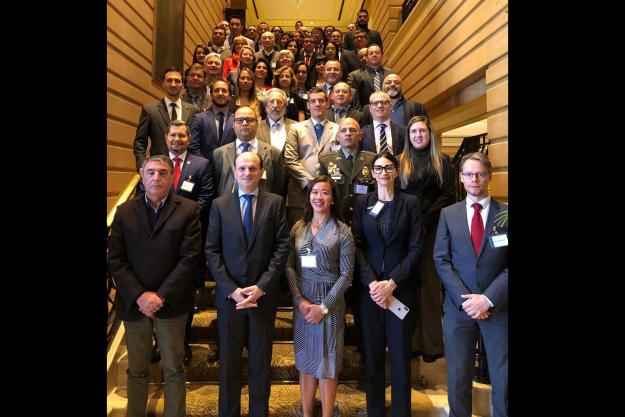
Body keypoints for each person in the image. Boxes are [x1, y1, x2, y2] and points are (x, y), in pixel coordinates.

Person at [108, 154, 202, 417]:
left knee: (173, 369)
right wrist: (139, 295)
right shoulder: (125, 211)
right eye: (150, 172)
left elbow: (190, 259)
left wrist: (160, 296)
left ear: (171, 176)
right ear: (142, 174)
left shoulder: (188, 210)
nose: (156, 178)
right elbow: (115, 259)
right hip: (133, 304)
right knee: (136, 370)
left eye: (162, 172)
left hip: (171, 304)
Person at [205, 151, 290, 417]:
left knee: (260, 364)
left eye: (253, 168)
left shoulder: (275, 203)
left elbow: (282, 247)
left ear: (261, 172)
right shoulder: (219, 205)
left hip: (262, 297)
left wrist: (262, 286)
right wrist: (231, 289)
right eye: (242, 168)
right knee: (229, 365)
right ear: (235, 170)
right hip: (230, 298)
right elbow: (211, 250)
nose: (247, 173)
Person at [433, 152, 508, 417]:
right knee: (458, 377)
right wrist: (468, 300)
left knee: (503, 378)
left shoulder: (506, 215)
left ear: (489, 176)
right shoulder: (448, 214)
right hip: (458, 309)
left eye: (480, 174)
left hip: (498, 309)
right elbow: (441, 260)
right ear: (461, 178)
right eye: (468, 174)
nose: (474, 179)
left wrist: (487, 299)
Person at [352, 151, 423, 417]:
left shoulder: (410, 203)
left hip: (401, 291)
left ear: (396, 171)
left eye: (388, 168)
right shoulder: (363, 203)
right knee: (372, 359)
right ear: (372, 173)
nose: (384, 173)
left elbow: (416, 249)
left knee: (400, 359)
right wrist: (373, 283)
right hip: (369, 293)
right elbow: (357, 246)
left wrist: (391, 283)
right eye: (379, 168)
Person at [285, 175, 355, 417]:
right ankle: (306, 413)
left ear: (333, 199)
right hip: (303, 302)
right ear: (309, 196)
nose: (319, 197)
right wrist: (300, 301)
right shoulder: (299, 228)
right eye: (315, 192)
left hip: (330, 303)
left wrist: (322, 307)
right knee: (305, 361)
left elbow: (347, 275)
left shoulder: (342, 232)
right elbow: (290, 266)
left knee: (328, 364)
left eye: (325, 192)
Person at [398, 116, 454, 362]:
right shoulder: (401, 162)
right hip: (406, 229)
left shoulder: (442, 161)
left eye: (422, 131)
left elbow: (449, 194)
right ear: (408, 136)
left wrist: (427, 219)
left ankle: (431, 344)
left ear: (430, 134)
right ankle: (411, 342)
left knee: (430, 284)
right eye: (414, 132)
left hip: (433, 229)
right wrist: (412, 221)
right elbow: (396, 194)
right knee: (407, 284)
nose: (418, 135)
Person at [284, 87, 339, 227]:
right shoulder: (296, 128)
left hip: (328, 193)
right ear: (308, 105)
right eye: (313, 101)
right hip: (299, 192)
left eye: (321, 100)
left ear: (328, 104)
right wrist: (310, 182)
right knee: (297, 237)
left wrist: (324, 185)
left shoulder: (338, 129)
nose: (317, 104)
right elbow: (290, 160)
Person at [133, 67, 201, 170]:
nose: (173, 84)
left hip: (186, 169)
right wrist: (142, 166)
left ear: (182, 85)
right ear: (163, 84)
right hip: (158, 169)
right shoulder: (150, 110)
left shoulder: (193, 111)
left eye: (177, 81)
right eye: (169, 80)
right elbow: (140, 142)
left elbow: (197, 142)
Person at [212, 106, 285, 196]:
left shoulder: (274, 153)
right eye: (239, 120)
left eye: (249, 120)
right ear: (233, 124)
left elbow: (279, 188)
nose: (244, 123)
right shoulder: (219, 154)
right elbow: (214, 187)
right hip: (227, 207)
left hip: (262, 207)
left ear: (257, 123)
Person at [319, 118, 375, 226]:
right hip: (335, 221)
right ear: (338, 137)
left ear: (360, 136)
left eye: (352, 130)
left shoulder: (371, 160)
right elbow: (322, 194)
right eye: (343, 130)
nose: (348, 133)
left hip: (364, 220)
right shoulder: (325, 160)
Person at [189, 79, 237, 164]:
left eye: (224, 91)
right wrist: (205, 167)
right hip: (205, 172)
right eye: (216, 90)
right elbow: (193, 148)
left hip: (230, 171)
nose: (220, 93)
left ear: (230, 96)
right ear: (211, 95)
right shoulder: (199, 119)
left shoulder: (236, 120)